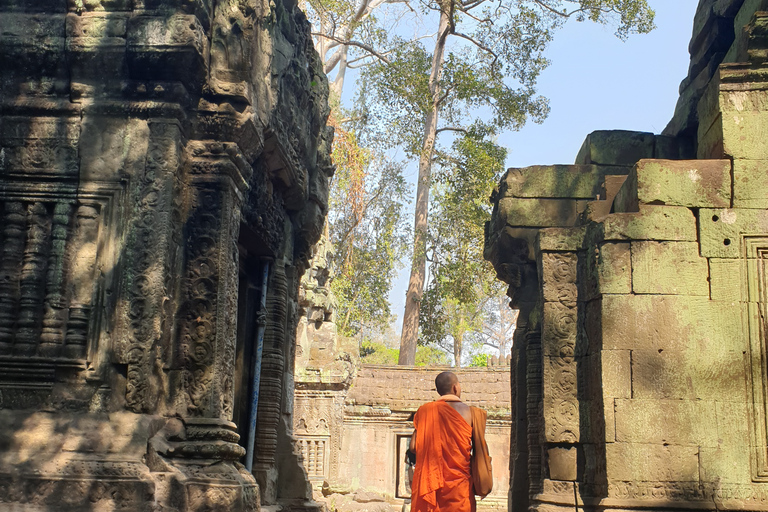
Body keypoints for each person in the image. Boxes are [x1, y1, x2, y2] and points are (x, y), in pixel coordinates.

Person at [408, 371, 485, 512]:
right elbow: (479, 450)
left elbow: (413, 447)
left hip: (430, 484)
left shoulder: (425, 411)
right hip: (459, 486)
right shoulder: (471, 413)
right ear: (455, 387)